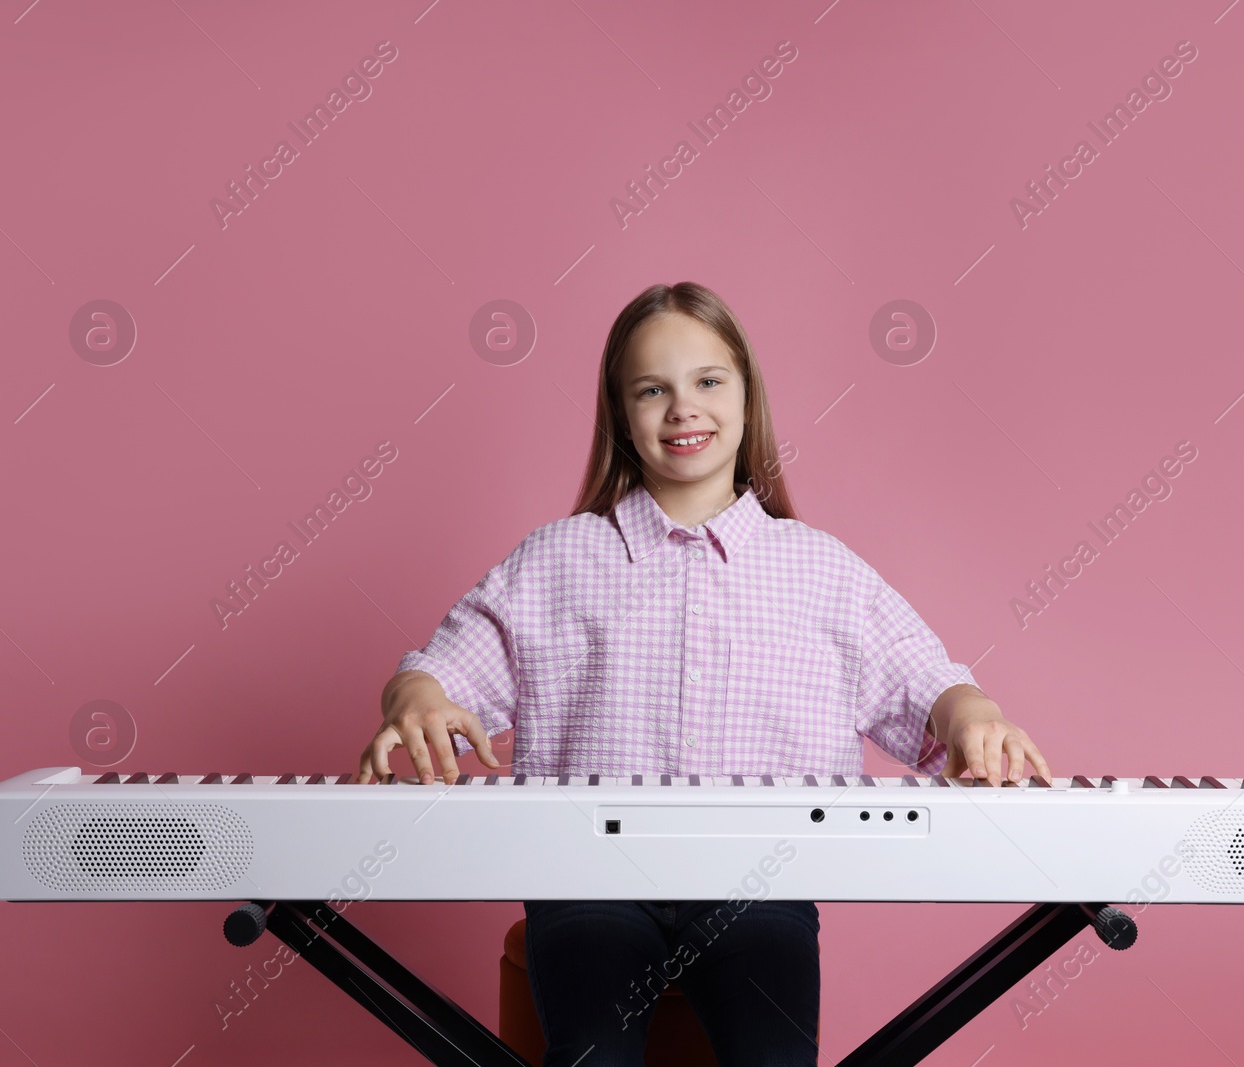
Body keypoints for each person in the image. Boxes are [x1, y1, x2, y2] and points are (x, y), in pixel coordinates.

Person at [353, 281, 1050, 1066]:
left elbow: (932, 684)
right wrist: (413, 697)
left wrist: (971, 714)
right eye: (653, 390)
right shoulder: (556, 560)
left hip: (759, 888)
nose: (683, 408)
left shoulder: (821, 568)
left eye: (708, 382)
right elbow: (436, 676)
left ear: (748, 400)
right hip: (589, 881)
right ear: (622, 415)